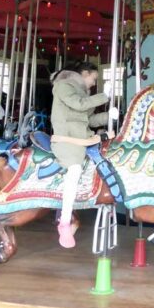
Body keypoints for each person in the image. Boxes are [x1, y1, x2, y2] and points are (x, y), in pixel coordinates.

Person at [51, 62, 112, 248]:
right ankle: (64, 222)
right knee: (75, 169)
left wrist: (109, 116)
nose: (93, 83)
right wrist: (104, 96)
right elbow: (78, 105)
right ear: (84, 73)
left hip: (81, 140)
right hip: (66, 140)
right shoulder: (63, 86)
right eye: (93, 78)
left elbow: (88, 120)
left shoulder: (82, 93)